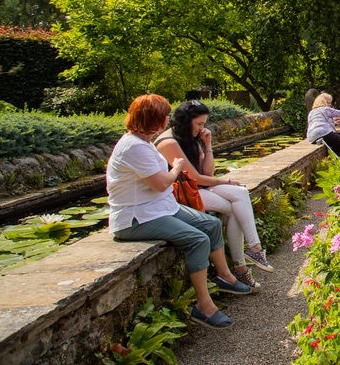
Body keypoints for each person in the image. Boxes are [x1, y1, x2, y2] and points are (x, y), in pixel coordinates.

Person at [107, 94, 251, 331]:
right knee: (197, 240)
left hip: (159, 209)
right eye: (164, 115)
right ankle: (203, 306)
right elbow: (161, 183)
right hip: (136, 218)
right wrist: (176, 169)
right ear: (155, 119)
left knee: (211, 224)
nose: (168, 119)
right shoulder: (133, 147)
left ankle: (226, 277)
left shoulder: (142, 143)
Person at [155, 100, 274, 293]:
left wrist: (207, 145)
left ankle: (249, 257)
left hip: (199, 189)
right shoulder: (169, 142)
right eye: (199, 124)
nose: (203, 128)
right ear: (186, 121)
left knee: (240, 195)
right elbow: (194, 177)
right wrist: (225, 182)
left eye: (204, 124)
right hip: (182, 195)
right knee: (236, 205)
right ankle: (245, 261)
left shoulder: (190, 136)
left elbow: (207, 173)